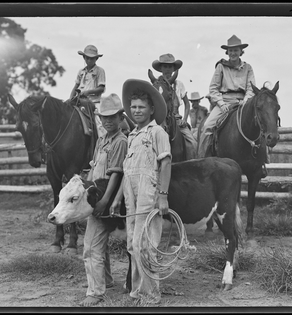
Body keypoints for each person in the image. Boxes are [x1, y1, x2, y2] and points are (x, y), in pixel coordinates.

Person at [111, 79, 171, 304]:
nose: (137, 111)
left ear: (151, 110)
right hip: (130, 195)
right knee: (132, 245)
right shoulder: (132, 136)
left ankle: (151, 295)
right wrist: (117, 199)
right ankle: (137, 291)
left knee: (145, 245)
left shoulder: (157, 132)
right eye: (133, 107)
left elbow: (165, 164)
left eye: (141, 107)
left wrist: (162, 195)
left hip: (148, 193)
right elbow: (127, 172)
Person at [80, 94, 128, 307]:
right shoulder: (101, 140)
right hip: (96, 195)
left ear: (120, 117)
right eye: (104, 117)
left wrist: (104, 200)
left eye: (112, 117)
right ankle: (106, 280)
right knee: (99, 242)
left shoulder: (120, 141)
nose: (107, 121)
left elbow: (116, 174)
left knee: (91, 245)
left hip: (107, 198)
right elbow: (94, 168)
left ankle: (95, 291)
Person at [198, 35, 267, 177]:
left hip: (243, 102)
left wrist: (246, 100)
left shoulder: (248, 68)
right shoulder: (221, 67)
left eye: (236, 50)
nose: (233, 53)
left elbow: (250, 87)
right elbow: (213, 88)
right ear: (227, 52)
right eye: (231, 51)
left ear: (241, 51)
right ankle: (203, 160)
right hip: (225, 101)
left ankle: (263, 162)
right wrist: (221, 104)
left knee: (261, 124)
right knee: (207, 127)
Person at [152, 53, 197, 159]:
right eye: (165, 66)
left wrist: (185, 119)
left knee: (192, 143)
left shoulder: (179, 84)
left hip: (176, 119)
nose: (167, 69)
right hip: (159, 120)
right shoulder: (156, 84)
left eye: (170, 66)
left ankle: (191, 164)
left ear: (173, 69)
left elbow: (187, 104)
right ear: (161, 68)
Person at [70, 44, 108, 138]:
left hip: (94, 102)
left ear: (96, 59)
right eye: (87, 58)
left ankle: (103, 142)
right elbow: (75, 86)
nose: (89, 60)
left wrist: (87, 92)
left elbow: (101, 88)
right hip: (80, 101)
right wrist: (70, 99)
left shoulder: (99, 71)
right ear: (84, 57)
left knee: (99, 123)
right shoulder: (81, 72)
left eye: (92, 58)